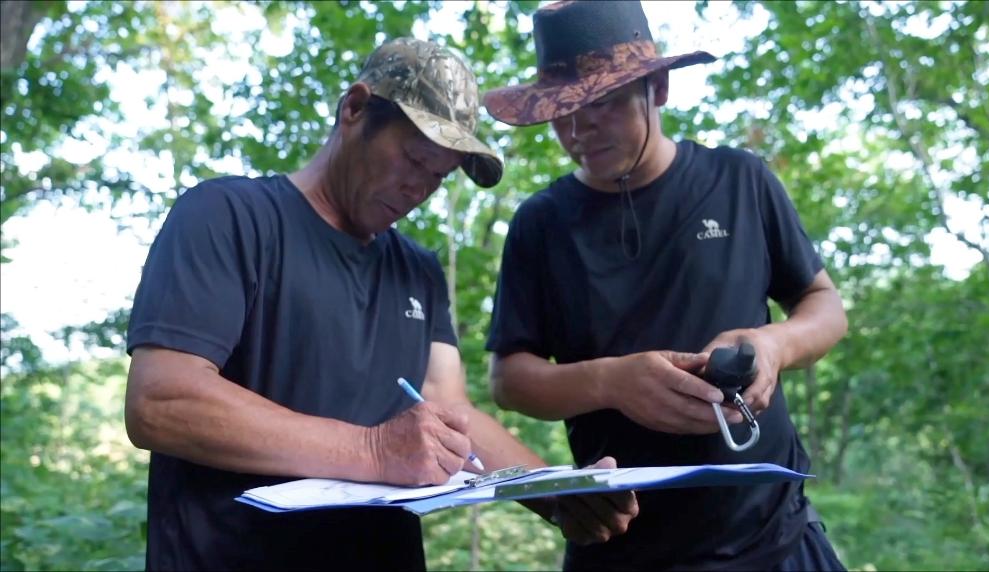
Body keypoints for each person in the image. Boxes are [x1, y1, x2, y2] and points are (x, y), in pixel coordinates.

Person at [124, 37, 637, 571]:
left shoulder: (418, 270)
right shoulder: (228, 217)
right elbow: (161, 401)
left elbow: (452, 413)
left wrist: (555, 492)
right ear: (354, 109)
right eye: (414, 158)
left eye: (438, 176)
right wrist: (372, 451)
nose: (418, 188)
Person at [482, 2, 849, 571]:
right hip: (619, 544)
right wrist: (611, 382)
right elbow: (509, 380)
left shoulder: (739, 180)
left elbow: (824, 305)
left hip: (773, 537)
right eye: (562, 111)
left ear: (657, 88)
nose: (578, 130)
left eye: (600, 104)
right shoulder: (542, 223)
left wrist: (773, 344)